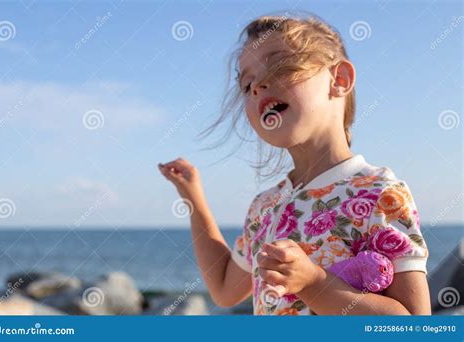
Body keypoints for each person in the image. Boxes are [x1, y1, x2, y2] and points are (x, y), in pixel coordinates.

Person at [158, 14, 430, 315]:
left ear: (339, 80)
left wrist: (313, 283)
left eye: (277, 65)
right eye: (247, 85)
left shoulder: (380, 194)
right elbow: (223, 289)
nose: (258, 86)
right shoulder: (265, 206)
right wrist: (193, 197)